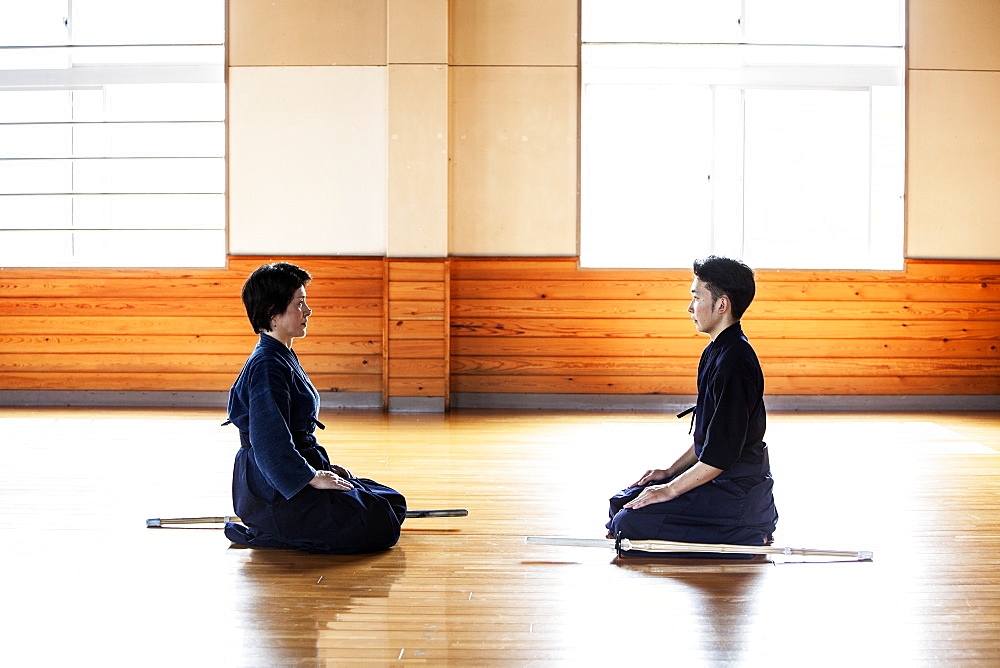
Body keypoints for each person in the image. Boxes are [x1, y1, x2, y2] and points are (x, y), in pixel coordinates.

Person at [223, 262, 406, 553]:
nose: (308, 311)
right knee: (379, 524)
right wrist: (309, 476)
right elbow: (269, 442)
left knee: (390, 501)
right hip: (274, 490)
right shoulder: (267, 365)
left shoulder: (280, 355)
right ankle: (271, 529)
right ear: (273, 312)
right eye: (300, 303)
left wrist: (322, 469)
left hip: (290, 472)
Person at [606, 256, 777, 556]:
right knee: (621, 504)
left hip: (736, 492)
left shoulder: (734, 363)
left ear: (721, 305)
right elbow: (706, 442)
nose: (690, 307)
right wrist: (668, 472)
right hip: (716, 477)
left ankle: (748, 528)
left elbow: (719, 457)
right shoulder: (716, 351)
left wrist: (670, 489)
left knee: (627, 523)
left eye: (697, 298)